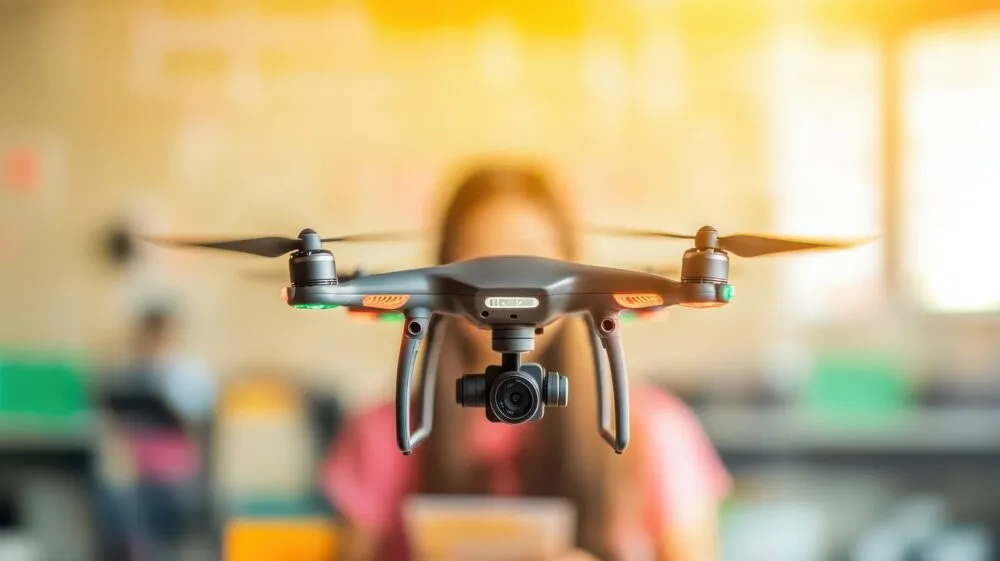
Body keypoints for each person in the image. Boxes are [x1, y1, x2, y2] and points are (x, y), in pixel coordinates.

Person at [321, 163, 731, 561]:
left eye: (532, 257)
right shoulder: (380, 436)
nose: (507, 284)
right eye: (482, 260)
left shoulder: (656, 432)